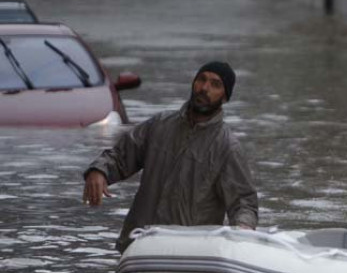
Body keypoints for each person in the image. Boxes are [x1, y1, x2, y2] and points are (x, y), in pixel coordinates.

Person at [82, 61, 259, 253]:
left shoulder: (227, 147)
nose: (205, 88)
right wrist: (99, 171)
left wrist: (243, 229)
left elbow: (244, 202)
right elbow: (120, 156)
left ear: (225, 97)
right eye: (201, 80)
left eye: (215, 84)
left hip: (187, 254)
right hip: (139, 244)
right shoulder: (159, 125)